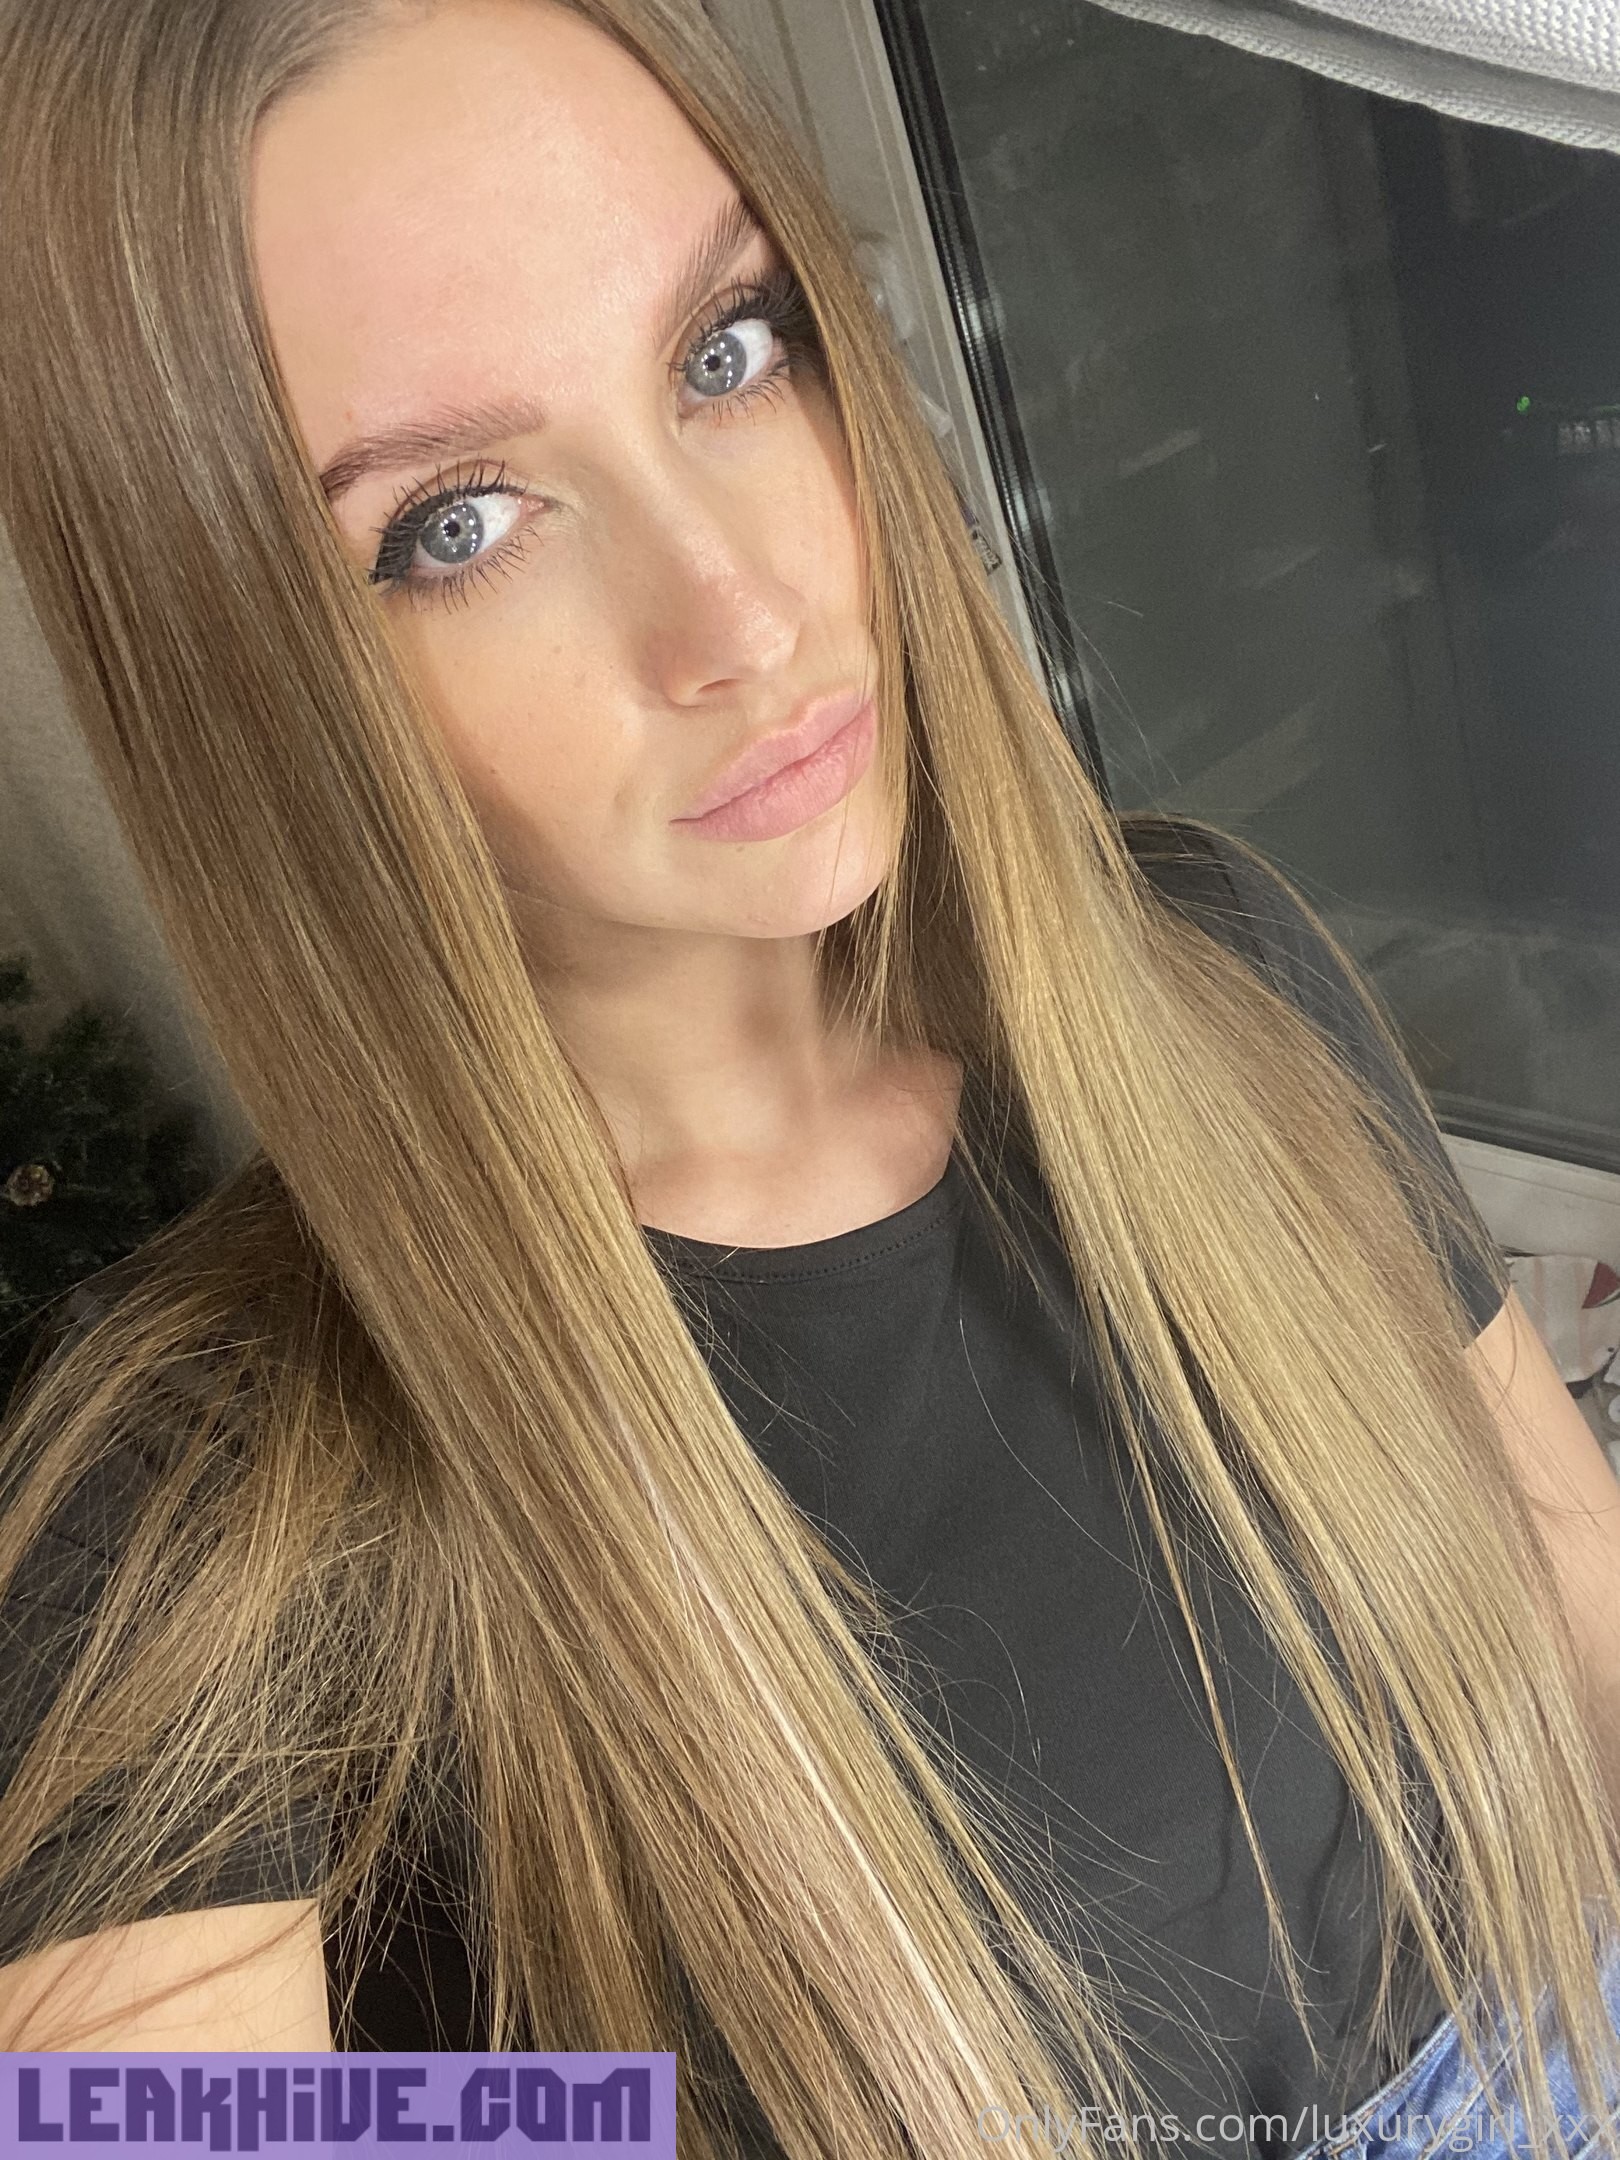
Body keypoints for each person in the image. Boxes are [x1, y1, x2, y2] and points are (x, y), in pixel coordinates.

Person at [0, 1, 1618, 2155]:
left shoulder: (1207, 975)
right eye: (457, 523)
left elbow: (1568, 1580)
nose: (741, 612)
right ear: (247, 678)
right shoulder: (209, 1470)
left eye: (726, 349)